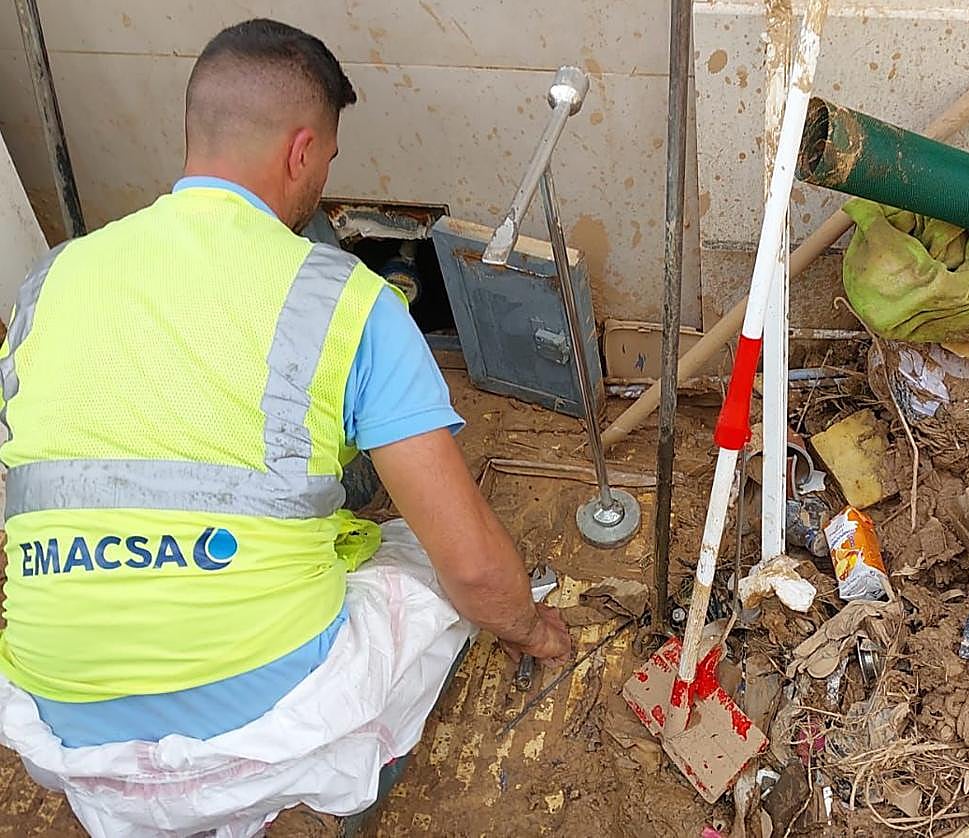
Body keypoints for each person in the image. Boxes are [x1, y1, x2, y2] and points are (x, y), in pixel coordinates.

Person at [0, 18, 570, 835]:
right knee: (429, 561)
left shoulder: (48, 280)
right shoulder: (343, 300)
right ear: (303, 151)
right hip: (263, 719)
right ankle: (329, 782)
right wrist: (530, 631)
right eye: (329, 161)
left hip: (63, 724)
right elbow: (477, 569)